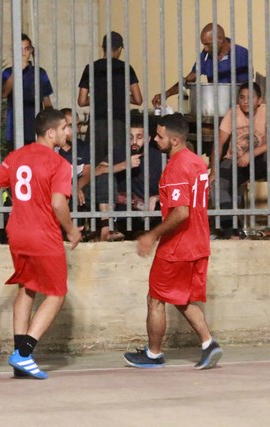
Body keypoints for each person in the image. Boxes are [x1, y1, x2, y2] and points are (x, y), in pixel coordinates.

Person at [0, 109, 82, 379]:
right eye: (65, 128)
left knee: (27, 288)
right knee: (56, 294)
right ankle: (24, 353)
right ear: (51, 133)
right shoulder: (59, 164)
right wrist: (72, 231)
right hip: (43, 235)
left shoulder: (17, 156)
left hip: (17, 233)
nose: (68, 132)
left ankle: (20, 357)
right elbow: (58, 202)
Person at [125, 113, 222, 370]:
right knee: (181, 298)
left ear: (175, 140)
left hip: (178, 245)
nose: (155, 139)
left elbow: (181, 211)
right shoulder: (196, 162)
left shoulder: (178, 165)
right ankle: (208, 344)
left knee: (156, 298)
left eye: (160, 136)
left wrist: (152, 234)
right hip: (199, 241)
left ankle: (154, 353)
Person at [78, 31, 143, 170]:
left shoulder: (91, 68)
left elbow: (82, 100)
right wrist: (120, 96)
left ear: (103, 48)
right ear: (119, 49)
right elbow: (138, 99)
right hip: (118, 124)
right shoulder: (126, 68)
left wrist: (99, 97)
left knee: (93, 166)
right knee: (117, 164)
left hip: (96, 125)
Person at [210, 82, 266, 238]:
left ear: (259, 100)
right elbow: (219, 143)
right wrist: (213, 171)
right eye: (242, 97)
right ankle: (232, 231)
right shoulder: (233, 113)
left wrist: (251, 154)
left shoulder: (265, 111)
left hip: (261, 160)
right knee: (217, 184)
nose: (245, 101)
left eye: (250, 98)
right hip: (234, 161)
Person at [152, 23, 249, 108]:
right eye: (204, 45)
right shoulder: (206, 55)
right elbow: (189, 79)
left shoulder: (241, 54)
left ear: (220, 39)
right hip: (212, 111)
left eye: (208, 44)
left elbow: (245, 89)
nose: (205, 49)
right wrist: (166, 94)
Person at [2, 33, 53, 151]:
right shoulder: (8, 72)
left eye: (26, 49)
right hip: (14, 126)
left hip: (34, 126)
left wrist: (49, 121)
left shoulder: (39, 72)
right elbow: (4, 93)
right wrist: (17, 71)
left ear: (31, 51)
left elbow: (47, 101)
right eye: (20, 50)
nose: (23, 53)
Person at [58, 108, 91, 210]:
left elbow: (87, 173)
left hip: (79, 191)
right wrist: (68, 188)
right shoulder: (53, 149)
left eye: (78, 125)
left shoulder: (84, 147)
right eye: (71, 126)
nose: (77, 130)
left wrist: (75, 187)